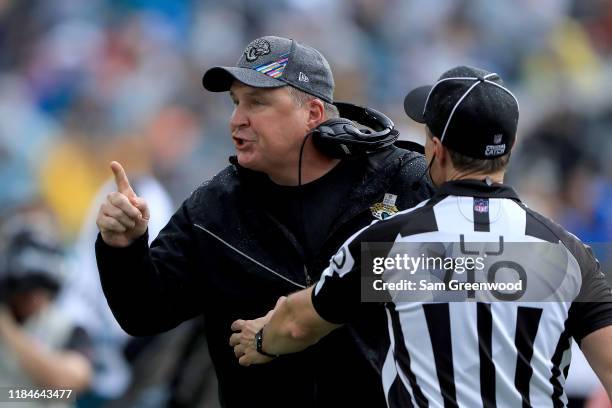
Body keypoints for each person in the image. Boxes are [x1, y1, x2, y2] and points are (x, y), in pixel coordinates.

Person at [230, 66, 612, 407]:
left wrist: (260, 340)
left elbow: (299, 324)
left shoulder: (392, 246)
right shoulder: (567, 254)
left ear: (436, 148)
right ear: (509, 150)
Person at [95, 35, 432, 407]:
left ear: (314, 114)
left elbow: (489, 269)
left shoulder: (403, 180)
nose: (237, 120)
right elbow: (143, 313)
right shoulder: (214, 208)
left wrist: (315, 309)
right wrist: (123, 247)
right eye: (236, 102)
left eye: (257, 102)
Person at [0, 210, 93, 408]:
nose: (32, 299)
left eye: (39, 289)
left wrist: (8, 329)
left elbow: (69, 383)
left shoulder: (68, 327)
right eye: (24, 290)